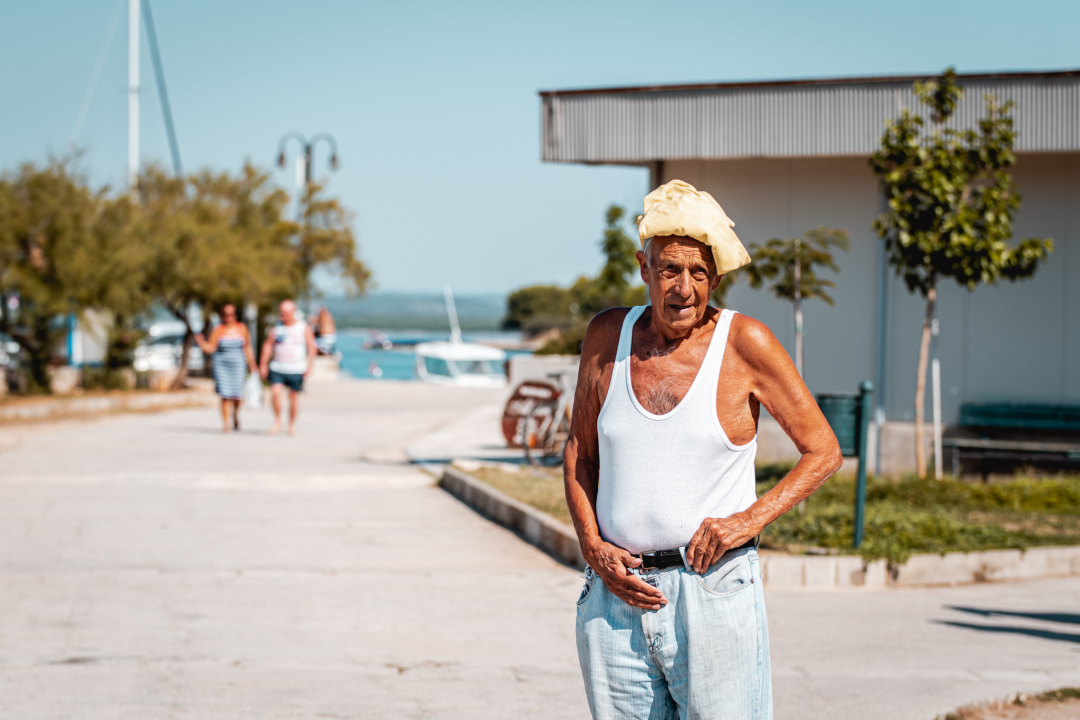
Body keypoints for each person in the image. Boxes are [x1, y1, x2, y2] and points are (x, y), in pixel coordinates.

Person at [565, 180, 842, 720]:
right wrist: (593, 548)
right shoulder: (606, 336)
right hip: (615, 596)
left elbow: (823, 451)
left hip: (712, 593)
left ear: (715, 276)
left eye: (699, 273)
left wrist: (744, 522)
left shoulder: (744, 343)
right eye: (670, 269)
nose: (684, 287)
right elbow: (579, 452)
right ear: (644, 268)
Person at [195, 303, 257, 433]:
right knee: (225, 394)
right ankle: (226, 423)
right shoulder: (218, 330)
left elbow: (247, 348)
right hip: (222, 365)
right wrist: (201, 343)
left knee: (237, 395)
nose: (229, 317)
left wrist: (253, 365)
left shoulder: (242, 329)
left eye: (232, 314)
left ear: (235, 315)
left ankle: (234, 413)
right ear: (222, 316)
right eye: (226, 314)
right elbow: (211, 347)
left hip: (239, 364)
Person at [259, 299, 317, 435]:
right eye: (280, 312)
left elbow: (311, 347)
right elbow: (267, 345)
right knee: (275, 393)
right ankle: (278, 421)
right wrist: (263, 364)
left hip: (296, 369)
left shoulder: (303, 327)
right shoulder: (276, 327)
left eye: (285, 313)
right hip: (277, 367)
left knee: (293, 397)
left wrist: (310, 365)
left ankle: (291, 424)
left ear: (293, 313)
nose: (282, 315)